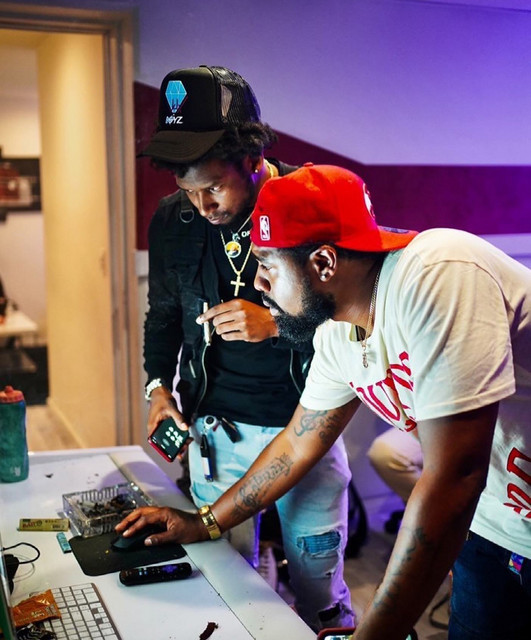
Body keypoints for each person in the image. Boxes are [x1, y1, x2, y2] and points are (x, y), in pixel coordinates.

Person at [119, 163, 530, 639]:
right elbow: (297, 444)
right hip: (493, 525)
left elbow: (454, 476)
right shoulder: (336, 335)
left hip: (484, 505)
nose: (259, 284)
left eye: (268, 265)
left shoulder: (438, 274)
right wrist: (203, 523)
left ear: (324, 264)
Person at [137, 68, 354, 631]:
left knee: (319, 593)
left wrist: (277, 324)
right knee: (230, 593)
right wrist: (158, 390)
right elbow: (162, 316)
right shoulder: (175, 220)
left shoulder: (312, 205)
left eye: (214, 187)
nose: (202, 204)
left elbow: (356, 319)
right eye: (189, 189)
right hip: (216, 434)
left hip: (305, 430)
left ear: (253, 158)